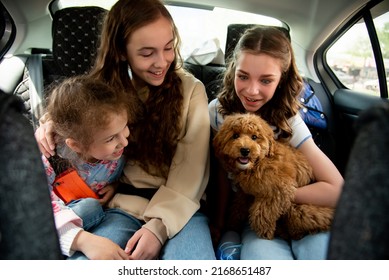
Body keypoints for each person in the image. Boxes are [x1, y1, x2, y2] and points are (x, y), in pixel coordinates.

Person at [35, 0, 215, 260]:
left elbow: (192, 170)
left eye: (168, 48)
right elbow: (75, 115)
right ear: (121, 51)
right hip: (122, 206)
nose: (162, 61)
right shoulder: (103, 90)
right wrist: (50, 123)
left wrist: (158, 227)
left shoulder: (191, 90)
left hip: (182, 211)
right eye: (146, 53)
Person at [208, 26, 344, 260]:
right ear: (233, 71)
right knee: (262, 259)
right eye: (243, 76)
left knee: (321, 254)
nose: (252, 91)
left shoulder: (288, 119)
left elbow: (337, 189)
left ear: (281, 80)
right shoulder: (218, 113)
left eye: (266, 80)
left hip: (300, 207)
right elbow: (221, 172)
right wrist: (221, 224)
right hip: (253, 217)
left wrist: (275, 195)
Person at [41, 75, 136, 260]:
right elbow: (39, 210)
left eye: (124, 128)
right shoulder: (51, 160)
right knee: (90, 208)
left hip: (104, 216)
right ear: (76, 145)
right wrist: (81, 240)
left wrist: (117, 186)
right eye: (110, 139)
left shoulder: (118, 148)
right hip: (59, 225)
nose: (124, 141)